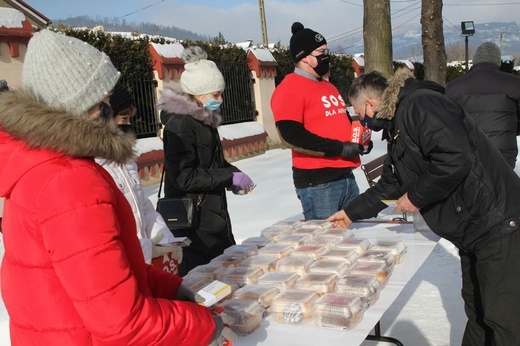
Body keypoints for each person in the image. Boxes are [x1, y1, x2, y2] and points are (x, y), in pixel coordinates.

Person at [0, 29, 235, 345]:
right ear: (83, 106)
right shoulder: (68, 181)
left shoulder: (41, 165)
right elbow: (122, 323)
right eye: (105, 102)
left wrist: (170, 289)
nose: (113, 113)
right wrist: (204, 325)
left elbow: (104, 272)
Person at [327, 68, 520, 346]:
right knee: (477, 310)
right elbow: (390, 184)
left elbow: (455, 159)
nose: (363, 120)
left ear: (370, 104)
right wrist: (349, 213)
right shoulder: (398, 123)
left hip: (496, 223)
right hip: (473, 229)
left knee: (503, 319)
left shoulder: (420, 105)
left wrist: (416, 197)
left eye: (359, 113)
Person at [158, 45, 254, 276]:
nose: (220, 99)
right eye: (215, 94)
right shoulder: (180, 124)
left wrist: (235, 177)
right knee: (204, 280)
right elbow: (184, 176)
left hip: (211, 216)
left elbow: (212, 164)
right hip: (194, 225)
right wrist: (228, 176)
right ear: (198, 94)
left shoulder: (204, 120)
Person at [270, 22, 369, 220]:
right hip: (319, 183)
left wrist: (360, 142)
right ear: (305, 57)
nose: (327, 56)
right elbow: (291, 136)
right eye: (321, 52)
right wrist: (339, 148)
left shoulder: (327, 86)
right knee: (324, 245)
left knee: (351, 242)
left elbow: (343, 123)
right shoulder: (289, 88)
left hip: (346, 175)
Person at [95, 82, 183, 272]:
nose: (128, 126)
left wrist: (165, 239)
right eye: (123, 118)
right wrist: (143, 250)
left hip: (144, 265)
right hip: (123, 267)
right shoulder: (93, 167)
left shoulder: (125, 160)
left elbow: (143, 207)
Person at [445, 41, 520, 169]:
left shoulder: (453, 87)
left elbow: (448, 124)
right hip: (503, 152)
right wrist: (510, 129)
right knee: (502, 188)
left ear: (475, 61)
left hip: (468, 153)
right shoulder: (514, 84)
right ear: (497, 61)